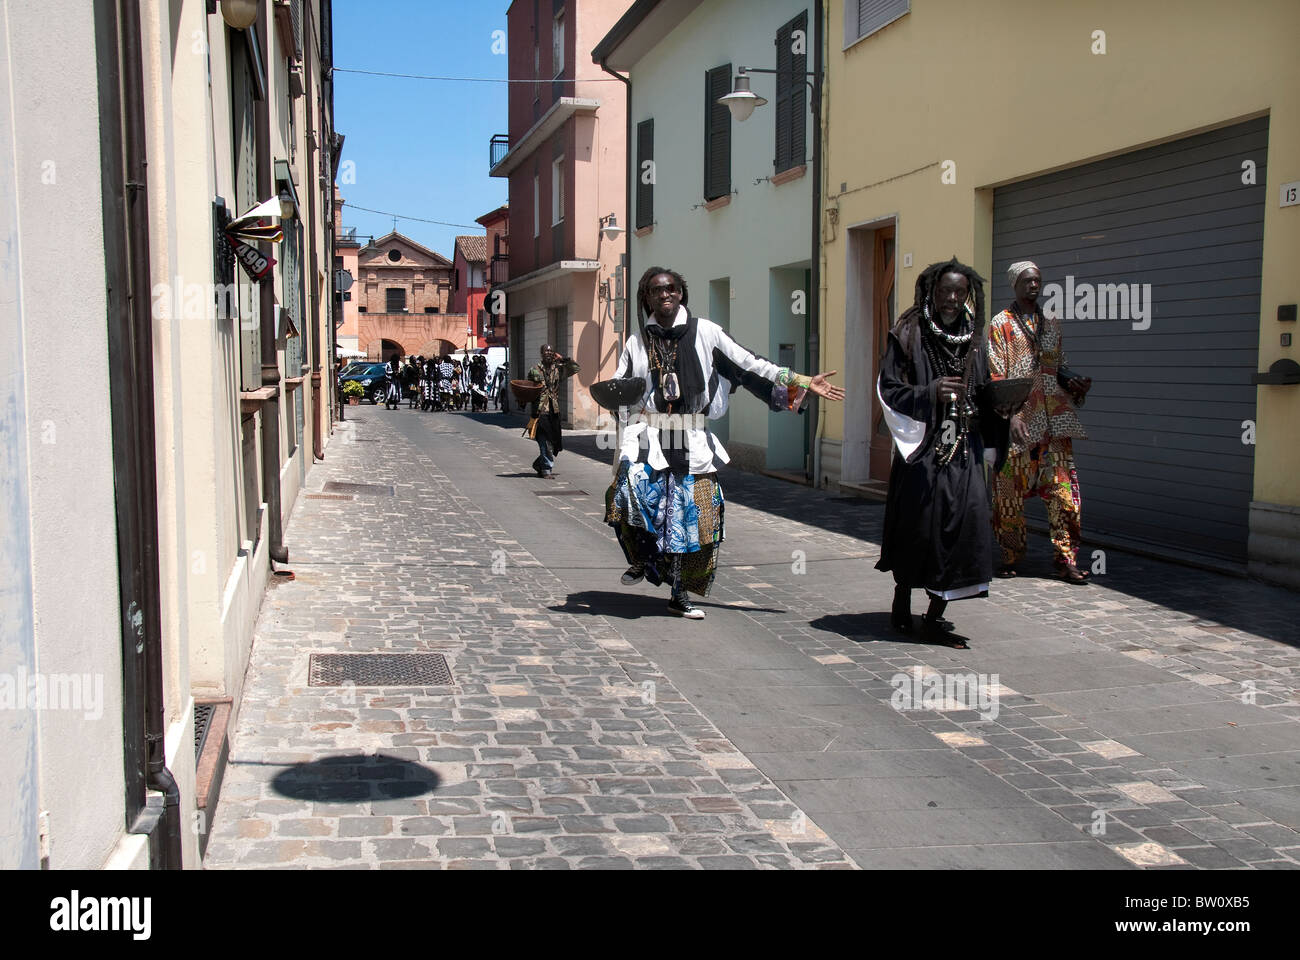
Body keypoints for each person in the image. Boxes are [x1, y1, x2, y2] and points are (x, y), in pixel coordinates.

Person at [605, 267, 844, 619]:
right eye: (657, 291)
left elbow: (749, 364)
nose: (665, 295)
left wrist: (801, 380)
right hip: (650, 440)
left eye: (671, 288)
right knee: (624, 501)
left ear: (681, 293)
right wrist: (618, 419)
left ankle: (679, 593)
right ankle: (645, 560)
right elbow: (621, 389)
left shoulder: (707, 332)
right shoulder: (636, 342)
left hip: (693, 441)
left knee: (696, 521)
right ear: (647, 298)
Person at [875, 258, 1012, 648]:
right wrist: (928, 392)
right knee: (918, 529)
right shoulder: (907, 332)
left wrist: (1003, 409)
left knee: (963, 526)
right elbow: (889, 389)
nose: (952, 299)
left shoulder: (974, 335)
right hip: (922, 447)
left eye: (960, 292)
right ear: (931, 292)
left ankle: (936, 614)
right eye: (945, 291)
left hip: (963, 447)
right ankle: (903, 595)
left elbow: (982, 390)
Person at [988, 261, 1093, 583]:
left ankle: (1065, 560)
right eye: (1027, 281)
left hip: (1055, 421)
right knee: (1008, 496)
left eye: (1037, 281)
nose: (1034, 285)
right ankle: (1010, 555)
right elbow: (996, 374)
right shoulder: (1001, 323)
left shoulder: (1051, 322)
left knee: (1065, 494)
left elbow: (1058, 365)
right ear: (1014, 285)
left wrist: (1074, 381)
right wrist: (1011, 416)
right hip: (1018, 420)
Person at [527, 344, 579, 478]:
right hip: (540, 411)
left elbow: (575, 368)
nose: (549, 353)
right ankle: (546, 469)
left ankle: (539, 463)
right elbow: (528, 389)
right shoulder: (534, 371)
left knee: (555, 443)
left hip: (554, 411)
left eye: (551, 351)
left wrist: (564, 360)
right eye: (546, 351)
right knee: (544, 441)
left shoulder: (558, 370)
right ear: (541, 353)